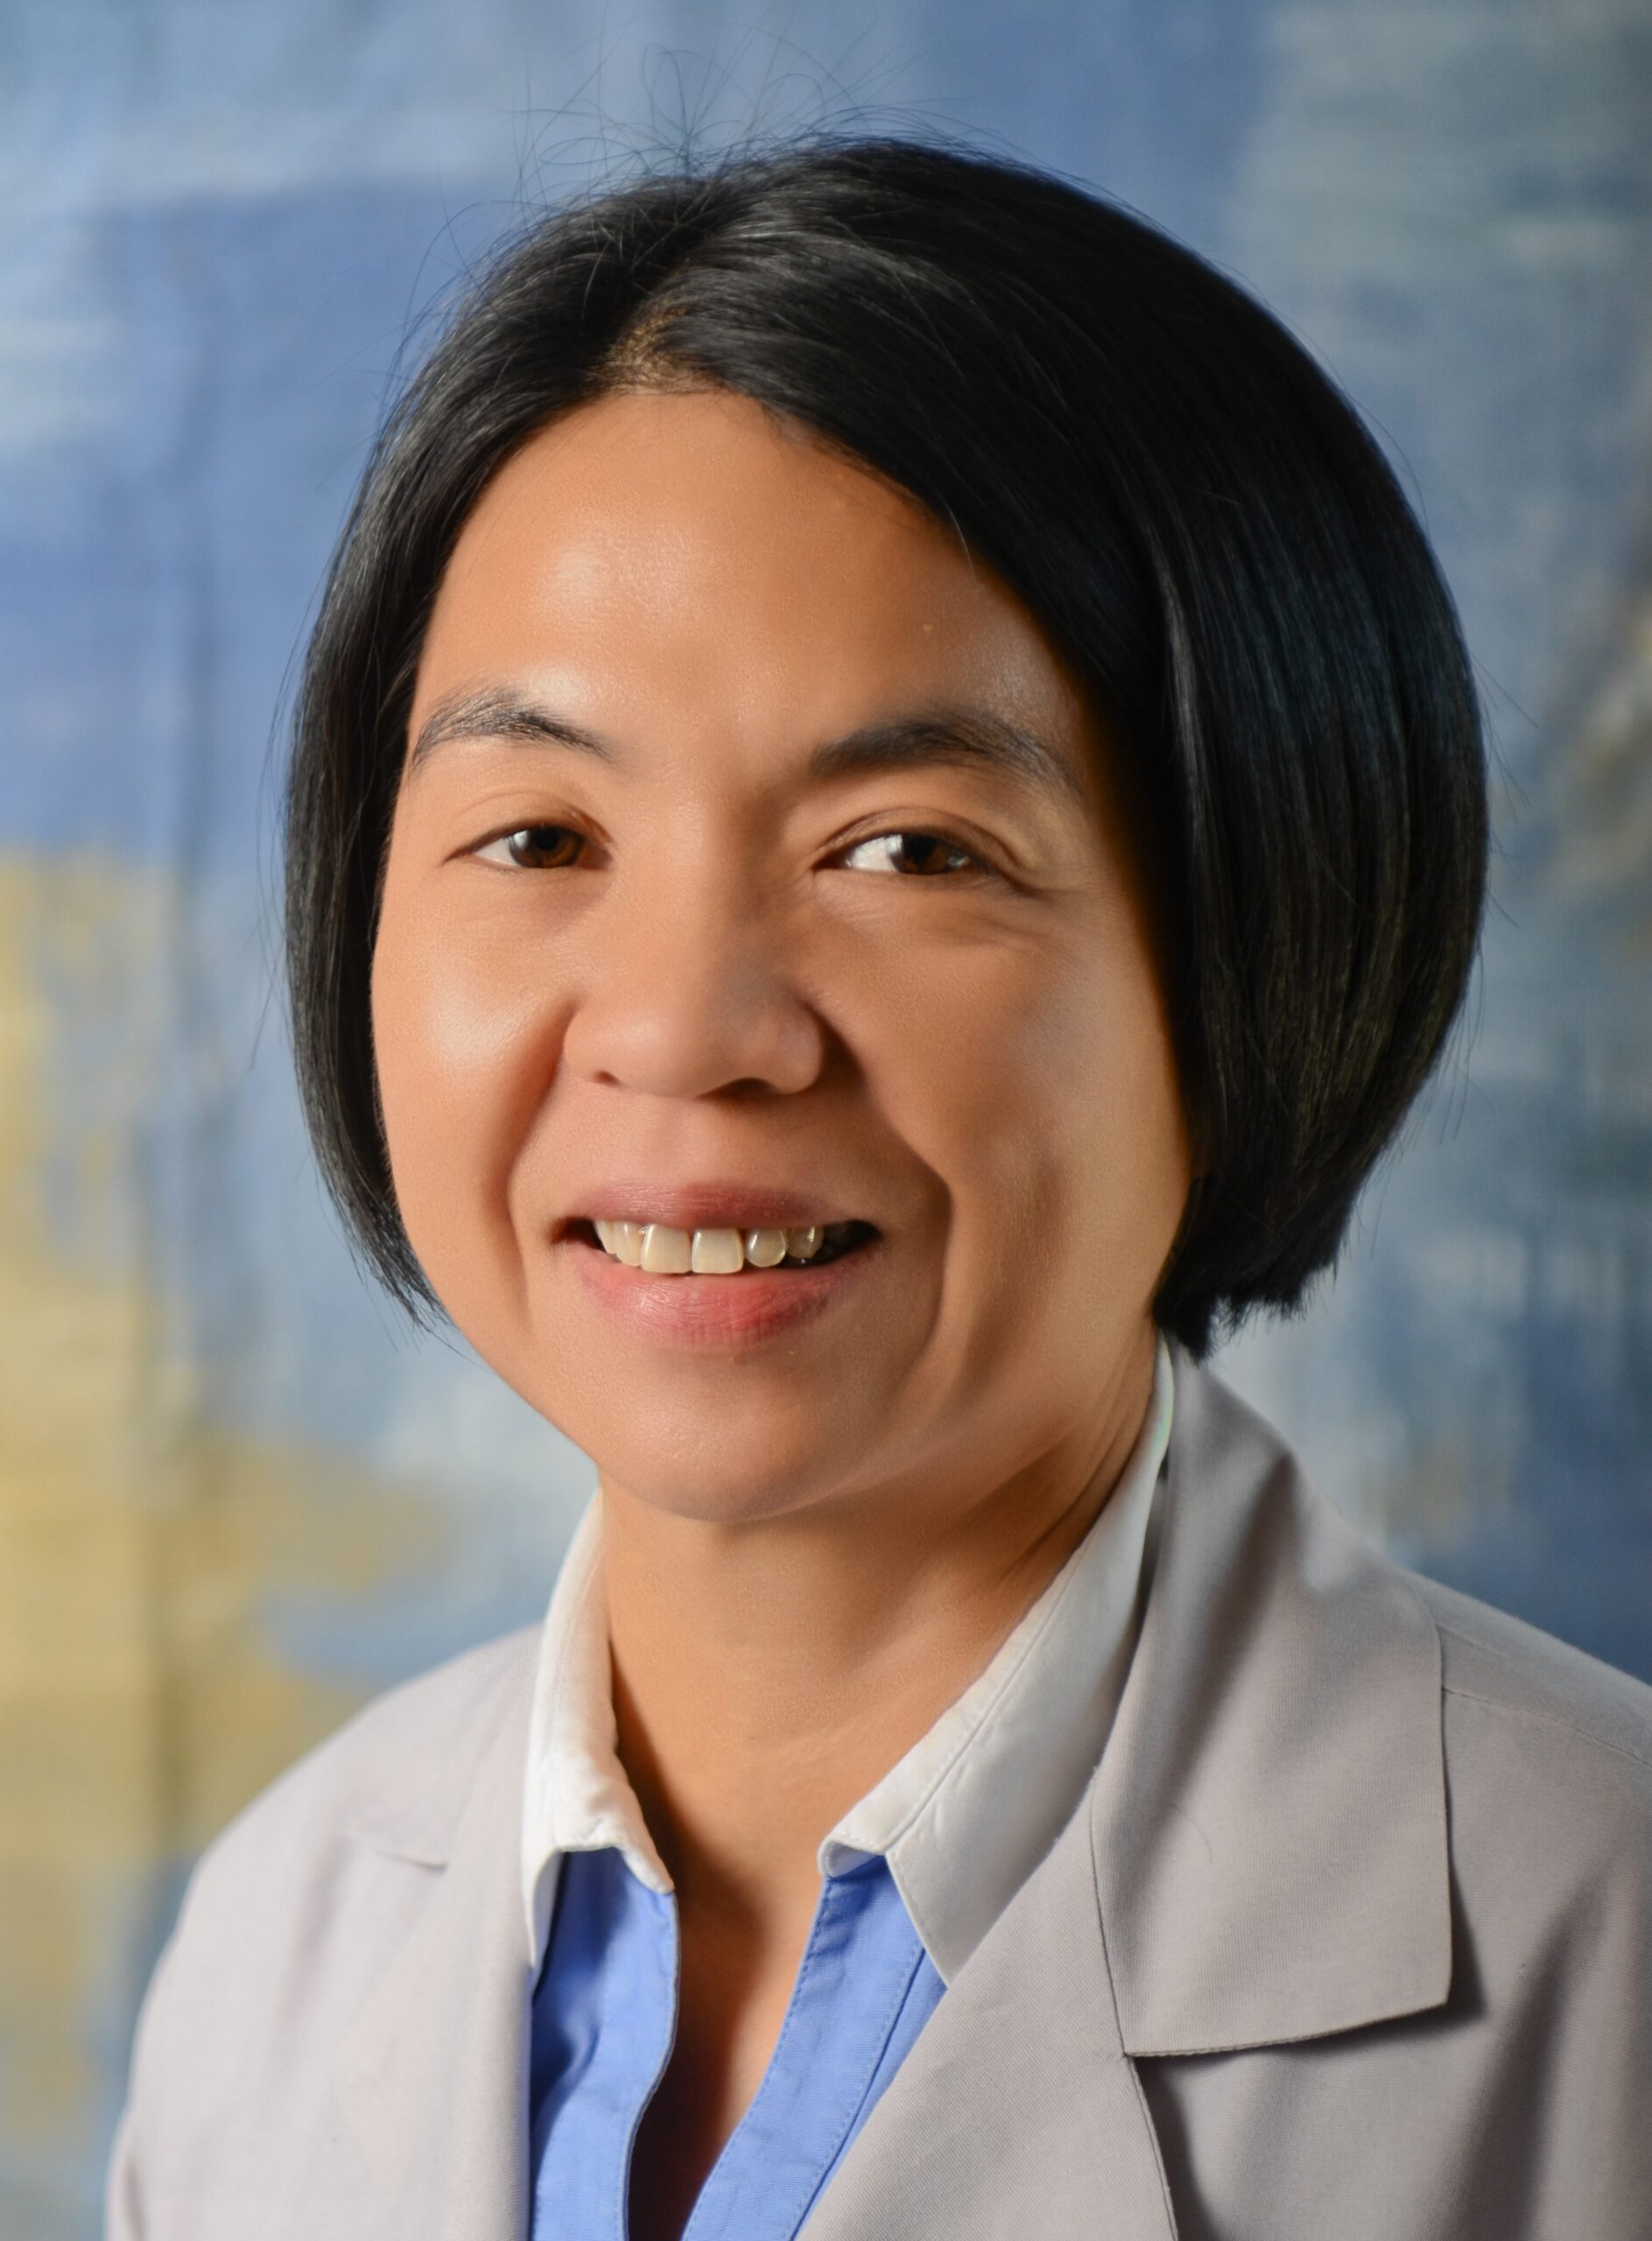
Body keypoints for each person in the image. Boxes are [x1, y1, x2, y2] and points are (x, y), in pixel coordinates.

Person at [105, 135, 1652, 2241]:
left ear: (1264, 935)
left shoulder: (1604, 1948)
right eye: (540, 836)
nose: (683, 1026)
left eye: (908, 848)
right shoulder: (279, 1946)